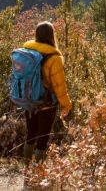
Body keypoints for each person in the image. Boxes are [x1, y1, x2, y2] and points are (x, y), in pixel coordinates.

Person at [21, 21, 72, 164]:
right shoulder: (54, 58)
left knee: (31, 134)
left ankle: (26, 169)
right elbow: (59, 86)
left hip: (28, 99)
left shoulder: (26, 51)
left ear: (36, 35)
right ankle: (39, 173)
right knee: (42, 138)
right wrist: (66, 105)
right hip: (46, 102)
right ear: (52, 36)